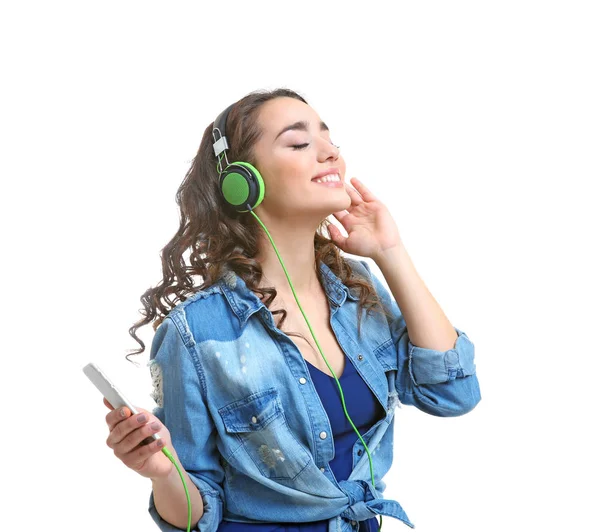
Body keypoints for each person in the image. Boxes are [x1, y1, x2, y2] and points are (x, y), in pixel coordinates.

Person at [103, 88, 481, 532]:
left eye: (329, 139)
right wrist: (163, 472)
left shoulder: (357, 289)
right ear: (241, 182)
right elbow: (194, 517)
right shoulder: (195, 331)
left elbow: (453, 394)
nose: (330, 154)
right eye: (299, 143)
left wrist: (390, 253)